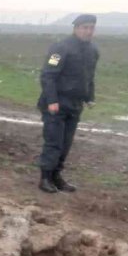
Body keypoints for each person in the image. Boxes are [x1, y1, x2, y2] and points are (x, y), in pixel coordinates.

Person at [37, 14, 99, 193]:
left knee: (66, 143)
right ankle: (45, 178)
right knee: (54, 142)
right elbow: (48, 75)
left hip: (75, 104)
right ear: (76, 28)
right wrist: (52, 100)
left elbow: (89, 76)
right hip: (56, 104)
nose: (88, 31)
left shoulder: (93, 50)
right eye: (84, 27)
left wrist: (89, 97)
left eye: (91, 28)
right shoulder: (61, 48)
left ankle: (57, 176)